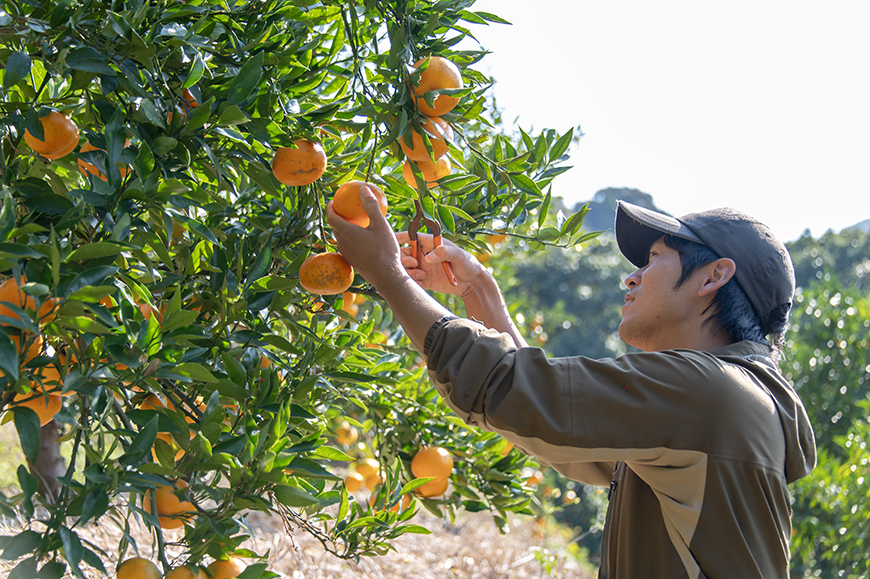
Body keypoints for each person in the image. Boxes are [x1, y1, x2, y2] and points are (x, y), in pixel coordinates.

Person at [326, 190, 816, 579]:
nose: (633, 277)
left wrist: (388, 273)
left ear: (714, 276)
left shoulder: (711, 393)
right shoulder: (725, 401)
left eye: (654, 258)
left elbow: (508, 387)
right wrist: (478, 291)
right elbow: (556, 427)